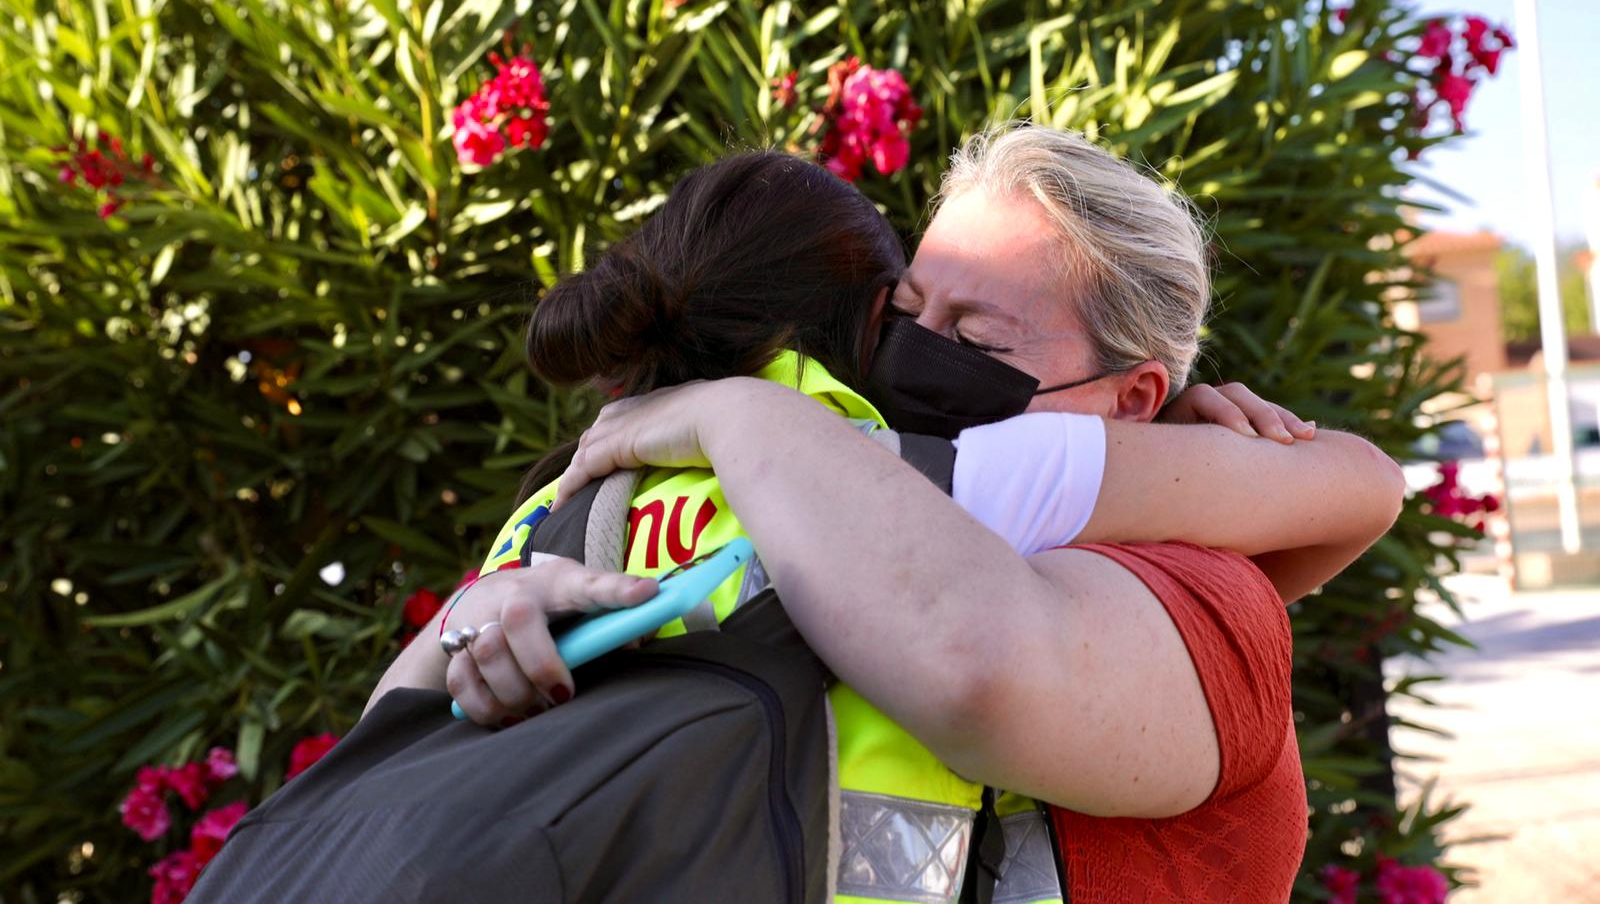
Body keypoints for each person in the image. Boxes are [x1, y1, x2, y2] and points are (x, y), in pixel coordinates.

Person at [368, 130, 1403, 902]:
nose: (916, 358)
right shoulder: (845, 486)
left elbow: (1352, 490)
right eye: (905, 317)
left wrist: (731, 413)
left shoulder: (1180, 584)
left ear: (1132, 397)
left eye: (976, 336)